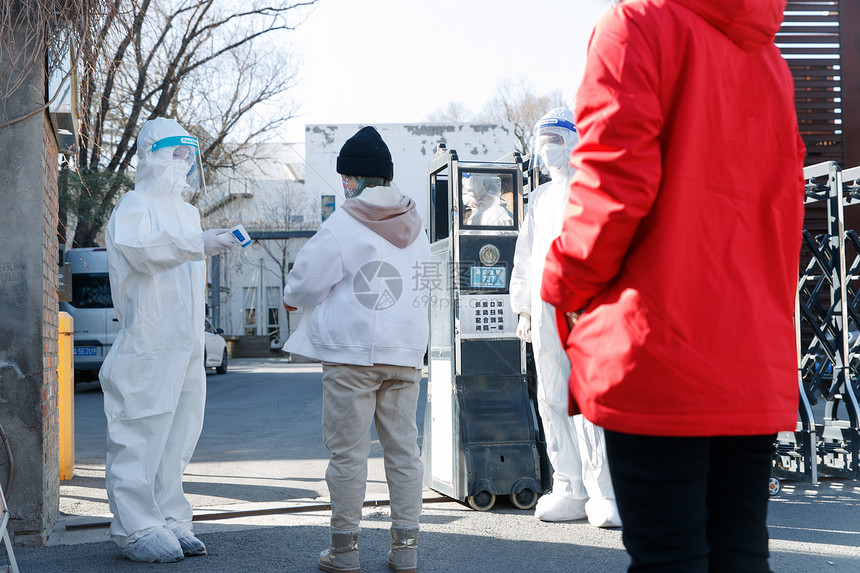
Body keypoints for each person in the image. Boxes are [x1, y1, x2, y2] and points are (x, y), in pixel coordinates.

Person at [541, 1, 806, 571]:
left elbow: (611, 190)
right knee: (739, 553)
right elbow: (784, 206)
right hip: (750, 354)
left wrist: (562, 283)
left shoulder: (635, 26)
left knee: (669, 558)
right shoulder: (767, 55)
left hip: (658, 345)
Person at [282, 126, 431, 573]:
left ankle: (344, 552)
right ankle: (406, 549)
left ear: (360, 178)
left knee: (348, 455)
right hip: (405, 354)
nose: (344, 184)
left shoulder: (342, 223)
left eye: (346, 176)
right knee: (405, 451)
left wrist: (295, 296)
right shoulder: (416, 223)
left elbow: (304, 286)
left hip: (352, 356)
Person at [99, 117, 236, 562]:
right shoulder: (134, 205)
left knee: (178, 433)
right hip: (149, 339)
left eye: (187, 155)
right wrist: (197, 242)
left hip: (186, 341)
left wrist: (203, 239)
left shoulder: (189, 212)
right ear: (152, 153)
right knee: (140, 429)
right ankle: (136, 527)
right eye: (173, 153)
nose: (181, 163)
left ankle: (172, 517)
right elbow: (143, 251)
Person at [511, 107, 620, 528]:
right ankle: (569, 486)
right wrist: (522, 308)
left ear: (575, 141)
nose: (546, 151)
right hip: (542, 311)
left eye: (554, 141)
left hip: (585, 310)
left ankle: (604, 492)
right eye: (541, 144)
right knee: (553, 396)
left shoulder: (595, 191)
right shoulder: (539, 199)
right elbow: (524, 258)